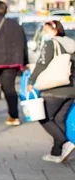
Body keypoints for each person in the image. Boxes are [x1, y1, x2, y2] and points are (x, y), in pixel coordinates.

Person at [27, 20, 75, 163]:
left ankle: (65, 142)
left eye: (47, 30)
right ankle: (56, 153)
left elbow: (42, 64)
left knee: (43, 117)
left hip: (54, 89)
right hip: (71, 89)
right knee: (59, 120)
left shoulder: (51, 44)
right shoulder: (72, 44)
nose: (45, 34)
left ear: (54, 31)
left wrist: (31, 81)